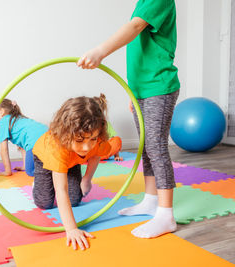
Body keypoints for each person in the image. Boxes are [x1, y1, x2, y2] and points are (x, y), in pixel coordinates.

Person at [77, 0, 180, 239]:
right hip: (141, 89)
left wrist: (100, 51)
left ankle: (166, 215)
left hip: (158, 86)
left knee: (156, 146)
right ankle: (151, 200)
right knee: (146, 147)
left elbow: (134, 28)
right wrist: (133, 92)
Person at [32, 96, 111, 250]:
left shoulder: (98, 140)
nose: (87, 147)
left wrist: (87, 179)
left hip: (72, 161)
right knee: (44, 203)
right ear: (66, 134)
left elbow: (95, 155)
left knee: (75, 200)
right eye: (80, 140)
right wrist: (71, 229)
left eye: (92, 139)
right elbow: (61, 190)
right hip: (45, 158)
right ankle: (37, 183)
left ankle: (70, 173)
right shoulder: (57, 147)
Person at [0, 99, 48, 177]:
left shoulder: (2, 122)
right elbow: (23, 147)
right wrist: (25, 166)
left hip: (36, 141)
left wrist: (7, 171)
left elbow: (3, 150)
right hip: (49, 134)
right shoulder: (17, 118)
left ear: (1, 112)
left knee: (30, 171)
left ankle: (54, 172)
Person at [93, 93, 123, 161]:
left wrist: (116, 156)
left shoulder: (106, 124)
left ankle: (97, 158)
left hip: (101, 151)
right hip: (91, 151)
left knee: (117, 140)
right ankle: (91, 158)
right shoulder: (87, 123)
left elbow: (113, 139)